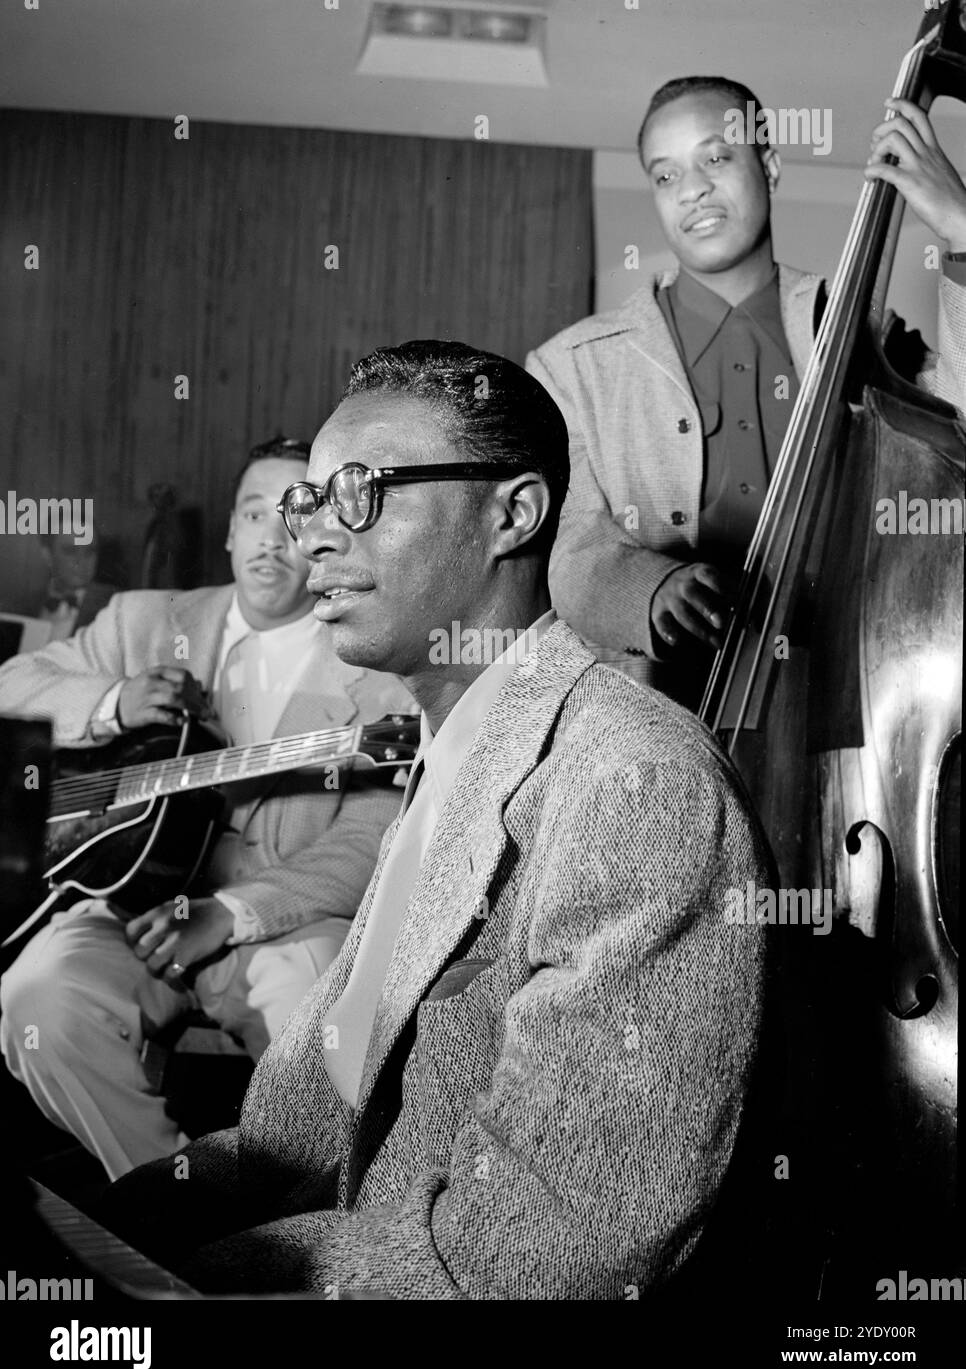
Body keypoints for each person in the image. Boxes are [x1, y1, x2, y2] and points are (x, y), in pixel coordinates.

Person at [99, 341, 771, 1301]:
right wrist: (112, 1235)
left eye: (362, 492)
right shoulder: (450, 754)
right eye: (307, 504)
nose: (312, 541)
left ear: (514, 514)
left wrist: (194, 1287)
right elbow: (292, 1144)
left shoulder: (643, 786)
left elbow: (539, 1256)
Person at [0, 435, 414, 1181]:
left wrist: (233, 911)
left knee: (316, 1016)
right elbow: (12, 686)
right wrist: (110, 703)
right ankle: (172, 1200)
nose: (271, 537)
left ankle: (304, 1228)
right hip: (126, 908)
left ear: (324, 536)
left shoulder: (369, 662)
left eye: (296, 515)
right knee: (37, 996)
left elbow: (374, 835)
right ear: (229, 531)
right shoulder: (142, 621)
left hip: (276, 918)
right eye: (255, 513)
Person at [527, 76, 966, 704]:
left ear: (770, 166)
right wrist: (652, 591)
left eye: (715, 157)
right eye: (665, 175)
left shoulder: (851, 328)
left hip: (850, 702)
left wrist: (961, 232)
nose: (694, 189)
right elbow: (573, 549)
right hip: (661, 721)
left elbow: (959, 426)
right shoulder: (570, 368)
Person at [37, 526, 118, 641]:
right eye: (71, 551)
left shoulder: (114, 606)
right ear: (48, 555)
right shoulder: (22, 604)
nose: (81, 560)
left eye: (89, 551)